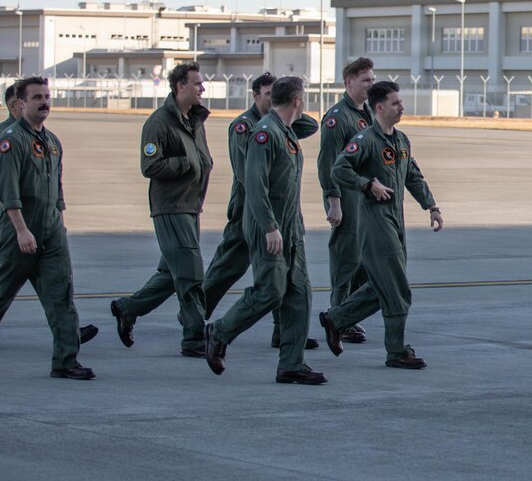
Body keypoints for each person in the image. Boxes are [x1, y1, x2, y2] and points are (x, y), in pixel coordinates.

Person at [0, 77, 95, 379]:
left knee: (61, 294)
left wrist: (59, 222)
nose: (45, 102)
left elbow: (56, 189)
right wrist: (20, 230)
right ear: (21, 104)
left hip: (51, 229)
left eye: (47, 96)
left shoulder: (53, 142)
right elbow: (7, 193)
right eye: (37, 98)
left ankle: (66, 361)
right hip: (20, 229)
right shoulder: (9, 141)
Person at [205, 77, 326, 384]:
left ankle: (291, 364)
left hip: (291, 228)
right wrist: (269, 227)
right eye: (303, 97)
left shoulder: (285, 131)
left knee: (299, 295)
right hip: (268, 226)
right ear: (297, 100)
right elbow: (254, 186)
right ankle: (220, 331)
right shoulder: (264, 133)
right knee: (270, 291)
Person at [318, 81, 444, 369]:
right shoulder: (365, 140)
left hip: (395, 220)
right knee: (398, 289)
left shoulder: (400, 141)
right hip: (375, 222)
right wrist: (366, 185)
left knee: (380, 285)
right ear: (379, 108)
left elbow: (413, 176)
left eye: (400, 102)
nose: (401, 107)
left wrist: (432, 206)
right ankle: (396, 351)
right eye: (395, 103)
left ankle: (335, 319)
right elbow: (339, 169)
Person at [112, 62, 213, 357]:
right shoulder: (159, 122)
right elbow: (150, 165)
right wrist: (186, 163)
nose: (202, 88)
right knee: (191, 273)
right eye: (197, 83)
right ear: (180, 86)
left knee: (173, 273)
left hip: (191, 206)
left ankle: (127, 309)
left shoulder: (194, 120)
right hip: (172, 207)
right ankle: (193, 337)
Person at [317, 56, 375, 344]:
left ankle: (347, 317)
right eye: (365, 80)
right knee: (345, 264)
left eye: (372, 79)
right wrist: (334, 201)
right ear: (348, 82)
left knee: (365, 264)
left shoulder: (367, 115)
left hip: (367, 201)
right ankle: (337, 317)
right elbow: (327, 163)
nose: (370, 84)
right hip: (348, 200)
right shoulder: (337, 118)